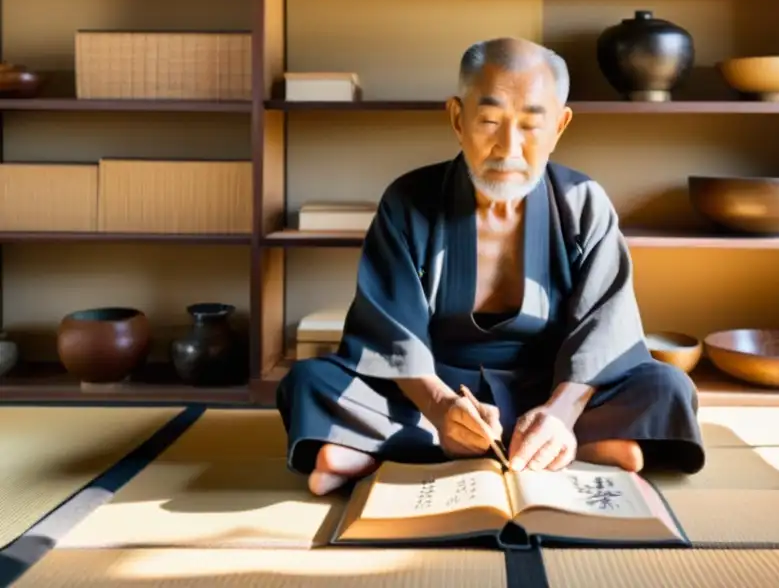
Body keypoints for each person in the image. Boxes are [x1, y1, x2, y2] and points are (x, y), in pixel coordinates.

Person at [277, 37, 706, 496]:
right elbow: (390, 332)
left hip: (552, 388)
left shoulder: (583, 204)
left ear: (559, 126)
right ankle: (586, 446)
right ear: (457, 118)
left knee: (667, 386)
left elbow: (606, 332)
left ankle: (379, 450)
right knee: (310, 378)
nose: (509, 147)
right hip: (435, 388)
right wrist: (442, 409)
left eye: (530, 125)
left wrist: (560, 412)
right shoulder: (409, 201)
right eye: (489, 120)